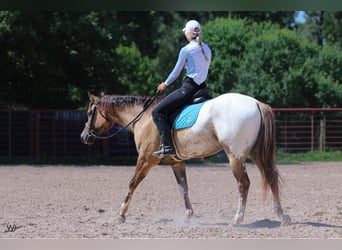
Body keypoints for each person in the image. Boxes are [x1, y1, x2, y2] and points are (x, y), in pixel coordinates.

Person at [152, 20, 212, 157]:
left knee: (157, 112)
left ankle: (168, 146)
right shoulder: (207, 48)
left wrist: (164, 84)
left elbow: (176, 72)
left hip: (189, 89)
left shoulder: (186, 50)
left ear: (188, 33)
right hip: (202, 88)